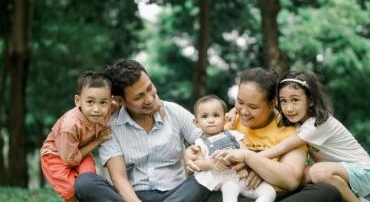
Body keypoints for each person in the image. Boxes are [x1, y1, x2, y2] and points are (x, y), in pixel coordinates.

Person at [186, 67, 342, 202]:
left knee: (328, 192)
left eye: (253, 107)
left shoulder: (290, 127)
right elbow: (202, 159)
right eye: (240, 102)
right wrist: (189, 155)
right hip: (232, 194)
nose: (244, 111)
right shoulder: (229, 121)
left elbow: (291, 180)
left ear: (273, 103)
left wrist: (252, 161)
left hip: (273, 196)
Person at [74, 59, 208, 202]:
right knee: (85, 183)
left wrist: (194, 150)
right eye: (139, 97)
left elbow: (211, 139)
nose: (149, 98)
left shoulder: (174, 112)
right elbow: (119, 179)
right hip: (134, 197)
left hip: (178, 195)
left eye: (149, 88)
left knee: (210, 175)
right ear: (120, 101)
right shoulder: (110, 127)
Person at [252, 70, 370, 202]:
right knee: (292, 175)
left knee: (316, 172)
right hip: (337, 171)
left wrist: (251, 159)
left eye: (295, 100)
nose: (289, 108)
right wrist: (236, 111)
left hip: (363, 171)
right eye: (283, 101)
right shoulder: (297, 121)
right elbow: (264, 111)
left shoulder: (318, 124)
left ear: (311, 101)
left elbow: (283, 147)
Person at [40, 71, 115, 202]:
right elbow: (69, 160)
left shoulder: (109, 109)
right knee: (70, 191)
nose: (96, 109)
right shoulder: (70, 126)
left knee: (89, 183)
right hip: (56, 156)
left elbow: (125, 103)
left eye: (103, 102)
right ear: (78, 101)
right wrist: (98, 140)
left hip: (81, 151)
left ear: (110, 102)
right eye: (90, 102)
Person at [191, 94, 276, 202]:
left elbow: (246, 153)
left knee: (270, 192)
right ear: (196, 122)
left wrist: (244, 167)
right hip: (226, 181)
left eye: (216, 115)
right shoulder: (200, 143)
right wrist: (210, 163)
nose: (211, 120)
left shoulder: (233, 135)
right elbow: (197, 164)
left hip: (243, 178)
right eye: (205, 116)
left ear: (225, 118)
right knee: (229, 196)